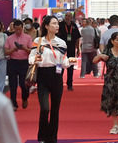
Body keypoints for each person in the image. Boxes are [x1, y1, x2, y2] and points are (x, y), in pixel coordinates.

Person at [30, 15, 69, 143]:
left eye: (57, 23)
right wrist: (35, 59)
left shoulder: (61, 42)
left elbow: (63, 61)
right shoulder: (38, 41)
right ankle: (42, 136)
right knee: (45, 108)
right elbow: (31, 57)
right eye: (53, 23)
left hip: (56, 75)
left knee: (55, 109)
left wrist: (69, 62)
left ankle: (52, 138)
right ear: (46, 26)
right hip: (42, 75)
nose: (57, 26)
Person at [5, 19, 33, 111]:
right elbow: (6, 52)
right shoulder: (9, 38)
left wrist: (25, 48)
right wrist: (13, 49)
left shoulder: (28, 38)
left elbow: (32, 51)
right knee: (12, 85)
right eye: (16, 29)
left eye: (19, 29)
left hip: (24, 62)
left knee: (23, 84)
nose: (18, 31)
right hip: (13, 62)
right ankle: (14, 103)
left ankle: (25, 97)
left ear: (22, 28)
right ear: (13, 28)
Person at [56, 12, 80, 91]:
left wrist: (78, 48)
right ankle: (58, 83)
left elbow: (77, 38)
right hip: (61, 49)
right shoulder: (60, 25)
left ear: (71, 17)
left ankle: (70, 84)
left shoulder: (74, 25)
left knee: (71, 66)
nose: (67, 17)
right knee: (59, 66)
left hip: (71, 49)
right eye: (66, 15)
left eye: (69, 16)